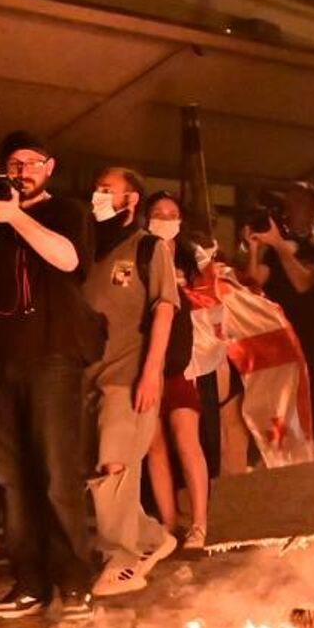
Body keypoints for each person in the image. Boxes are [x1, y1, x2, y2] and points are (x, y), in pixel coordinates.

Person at [0, 131, 98, 619]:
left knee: (58, 473)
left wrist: (16, 216)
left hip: (52, 356)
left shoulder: (67, 213)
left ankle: (74, 580)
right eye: (13, 164)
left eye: (31, 163)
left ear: (49, 167)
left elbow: (69, 260)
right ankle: (29, 581)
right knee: (11, 476)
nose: (21, 172)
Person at [84, 168, 181, 597]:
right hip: (89, 377)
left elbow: (164, 309)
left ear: (131, 200)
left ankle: (123, 559)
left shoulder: (148, 248)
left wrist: (151, 372)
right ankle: (151, 539)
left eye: (109, 190)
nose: (99, 196)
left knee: (114, 466)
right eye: (97, 188)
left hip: (128, 375)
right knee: (103, 470)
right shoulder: (87, 248)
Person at [145, 196, 215, 553]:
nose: (165, 220)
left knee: (186, 439)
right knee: (154, 445)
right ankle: (169, 527)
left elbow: (213, 309)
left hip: (180, 365)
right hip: (144, 366)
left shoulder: (193, 261)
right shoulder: (139, 255)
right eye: (157, 214)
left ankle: (200, 524)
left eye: (172, 215)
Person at [243, 181, 314, 436]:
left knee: (308, 393)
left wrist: (278, 245)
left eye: (298, 203)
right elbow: (253, 285)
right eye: (289, 203)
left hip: (310, 333)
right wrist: (254, 249)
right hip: (277, 335)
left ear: (313, 209)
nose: (291, 209)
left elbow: (304, 283)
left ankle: (313, 444)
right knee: (277, 396)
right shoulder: (278, 245)